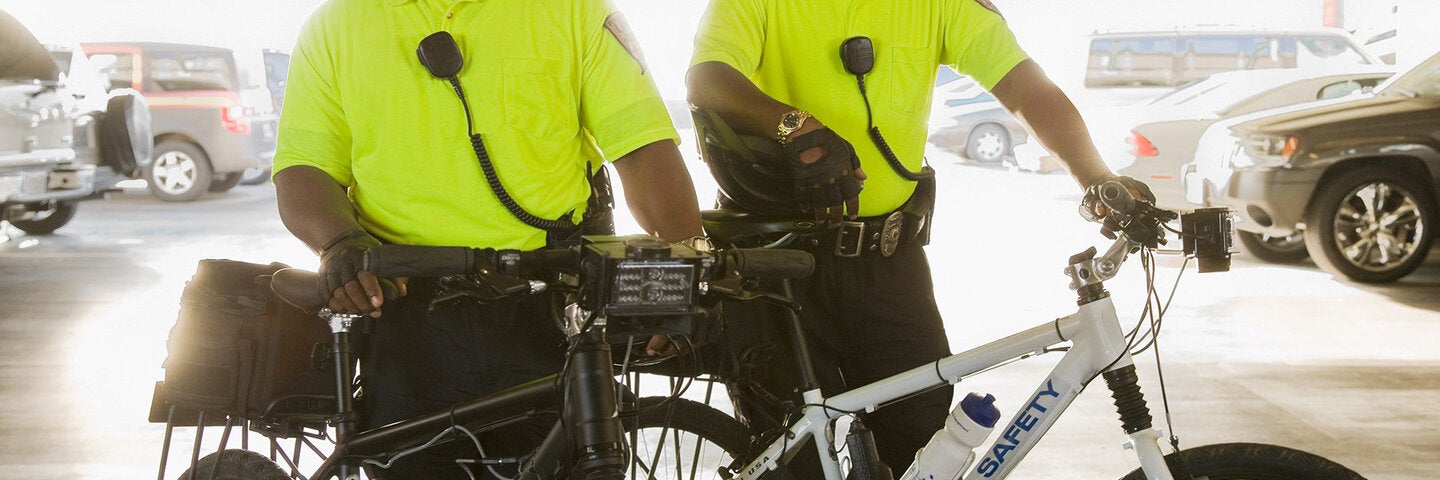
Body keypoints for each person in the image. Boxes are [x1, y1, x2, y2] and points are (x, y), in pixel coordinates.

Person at [686, 0, 1152, 474]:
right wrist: (797, 126)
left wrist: (1095, 176)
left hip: (890, 264)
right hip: (776, 267)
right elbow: (707, 79)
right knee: (793, 459)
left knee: (922, 445)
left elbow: (1024, 85)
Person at [273, 0, 703, 477]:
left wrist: (689, 262)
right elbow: (304, 169)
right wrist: (340, 242)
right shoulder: (335, 26)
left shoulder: (575, 11)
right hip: (408, 321)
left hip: (554, 312)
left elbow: (641, 147)